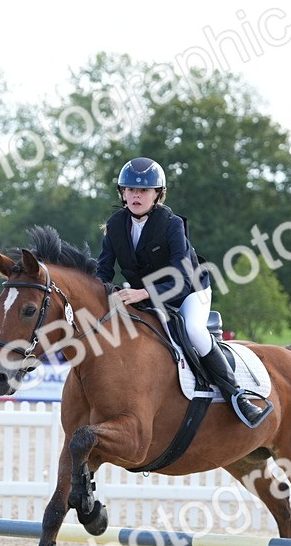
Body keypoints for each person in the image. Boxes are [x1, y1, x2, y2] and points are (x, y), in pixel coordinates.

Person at [94, 157, 271, 428]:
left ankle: (237, 396)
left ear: (157, 195)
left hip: (189, 291)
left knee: (194, 332)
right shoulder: (116, 224)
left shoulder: (171, 224)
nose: (135, 195)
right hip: (144, 293)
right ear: (122, 193)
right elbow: (103, 271)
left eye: (143, 190)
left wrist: (142, 294)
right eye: (130, 190)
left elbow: (181, 279)